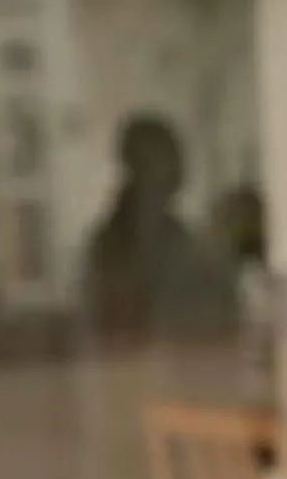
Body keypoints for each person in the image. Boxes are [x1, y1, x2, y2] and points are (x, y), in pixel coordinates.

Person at [79, 113, 238, 346]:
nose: (180, 169)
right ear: (138, 166)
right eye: (168, 157)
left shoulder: (182, 236)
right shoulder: (110, 246)